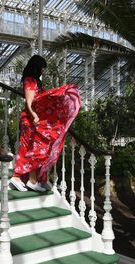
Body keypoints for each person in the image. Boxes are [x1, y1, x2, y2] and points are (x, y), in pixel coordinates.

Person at [9, 55, 81, 192]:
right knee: (32, 149)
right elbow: (29, 102)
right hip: (31, 120)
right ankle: (24, 179)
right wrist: (35, 115)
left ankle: (30, 179)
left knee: (31, 149)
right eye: (42, 68)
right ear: (37, 67)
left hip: (34, 120)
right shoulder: (30, 81)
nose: (43, 71)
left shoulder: (34, 81)